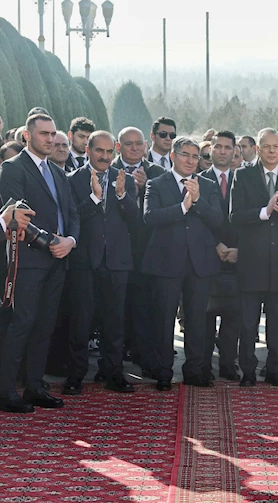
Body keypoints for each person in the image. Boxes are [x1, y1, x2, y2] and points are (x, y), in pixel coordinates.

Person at [0, 114, 79, 414]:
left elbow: (71, 213)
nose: (49, 139)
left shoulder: (58, 172)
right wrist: (51, 243)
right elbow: (15, 213)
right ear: (27, 137)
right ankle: (7, 391)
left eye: (53, 134)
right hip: (28, 260)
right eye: (44, 134)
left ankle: (34, 386)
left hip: (58, 260)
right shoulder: (12, 168)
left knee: (45, 326)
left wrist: (70, 240)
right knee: (22, 325)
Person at [142, 136, 224, 390]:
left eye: (194, 156)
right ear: (173, 156)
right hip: (166, 262)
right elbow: (150, 217)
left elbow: (219, 221)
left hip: (200, 262)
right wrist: (182, 207)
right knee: (164, 319)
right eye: (185, 155)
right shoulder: (156, 184)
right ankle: (163, 371)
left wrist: (197, 201)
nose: (190, 160)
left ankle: (195, 370)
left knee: (197, 319)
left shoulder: (207, 186)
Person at [64, 130, 138, 395]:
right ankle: (75, 375)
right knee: (80, 322)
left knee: (115, 322)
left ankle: (113, 373)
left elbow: (136, 219)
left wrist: (120, 195)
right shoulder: (72, 180)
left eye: (109, 152)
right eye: (99, 151)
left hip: (117, 261)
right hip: (84, 261)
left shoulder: (125, 179)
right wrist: (95, 198)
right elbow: (72, 218)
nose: (105, 156)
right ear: (88, 150)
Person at [231, 128, 278, 386]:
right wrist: (262, 212)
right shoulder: (242, 176)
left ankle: (275, 370)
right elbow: (235, 216)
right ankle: (248, 371)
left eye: (276, 146)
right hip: (252, 260)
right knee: (248, 322)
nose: (272, 151)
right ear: (258, 149)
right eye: (267, 146)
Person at [111, 127, 167, 369]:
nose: (134, 148)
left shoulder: (158, 173)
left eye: (138, 144)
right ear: (118, 146)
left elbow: (159, 212)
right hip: (114, 249)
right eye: (128, 144)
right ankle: (112, 363)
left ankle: (147, 358)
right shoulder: (108, 169)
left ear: (145, 145)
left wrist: (146, 189)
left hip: (146, 250)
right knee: (115, 307)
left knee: (145, 307)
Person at [200, 130, 242, 381]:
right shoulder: (199, 180)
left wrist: (240, 251)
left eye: (228, 147)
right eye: (219, 147)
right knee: (204, 316)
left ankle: (228, 364)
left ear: (235, 151)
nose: (223, 151)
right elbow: (195, 219)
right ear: (212, 149)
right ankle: (203, 364)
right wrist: (214, 244)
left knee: (233, 317)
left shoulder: (243, 181)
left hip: (237, 259)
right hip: (206, 256)